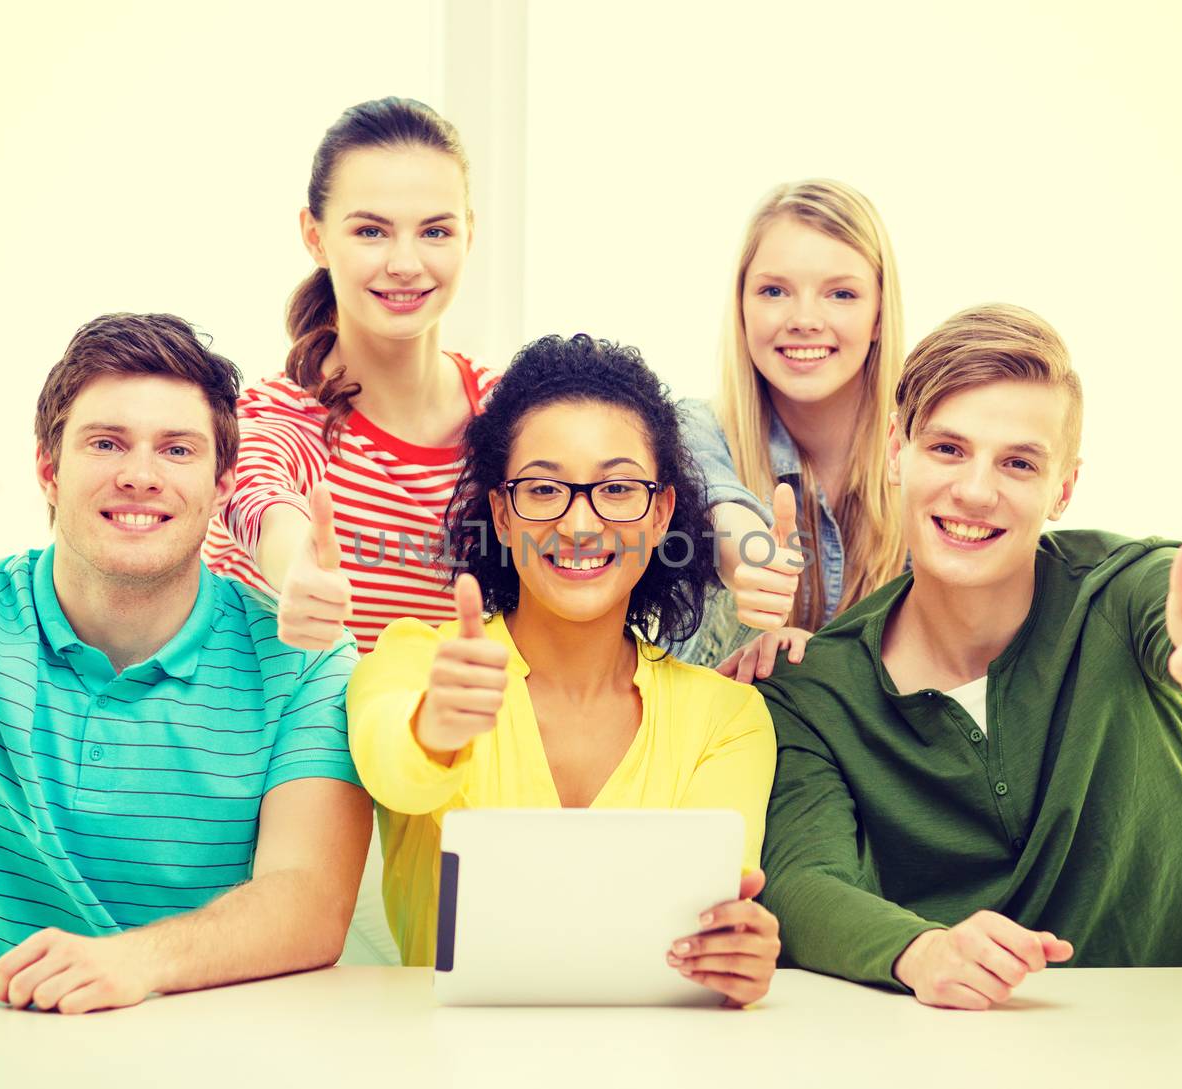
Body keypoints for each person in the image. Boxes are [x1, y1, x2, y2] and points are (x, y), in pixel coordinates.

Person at [0, 314, 370, 1014]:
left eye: (176, 449)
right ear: (49, 470)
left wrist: (133, 962)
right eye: (106, 443)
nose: (140, 475)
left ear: (224, 484)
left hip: (212, 1048)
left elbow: (310, 903)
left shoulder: (302, 663)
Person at [757, 304, 1182, 1010]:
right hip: (941, 1056)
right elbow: (801, 881)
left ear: (1063, 487)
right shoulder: (815, 688)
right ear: (894, 451)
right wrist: (923, 949)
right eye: (947, 449)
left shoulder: (1119, 592)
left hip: (1162, 1050)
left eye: (1018, 462)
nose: (976, 490)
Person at [346, 334, 781, 1006]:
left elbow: (712, 922)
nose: (581, 524)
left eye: (616, 488)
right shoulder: (415, 662)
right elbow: (388, 759)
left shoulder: (727, 718)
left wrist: (737, 956)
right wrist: (434, 726)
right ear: (502, 510)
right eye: (545, 488)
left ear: (661, 512)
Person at [203, 97, 495, 655]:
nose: (406, 263)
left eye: (435, 232)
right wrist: (299, 572)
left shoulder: (510, 412)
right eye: (371, 232)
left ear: (469, 235)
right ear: (315, 237)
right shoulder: (273, 418)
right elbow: (260, 499)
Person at [678, 179, 909, 680]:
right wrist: (750, 560)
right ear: (742, 306)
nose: (804, 319)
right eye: (775, 290)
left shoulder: (924, 459)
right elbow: (719, 508)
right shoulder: (691, 430)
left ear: (877, 315)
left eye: (841, 293)